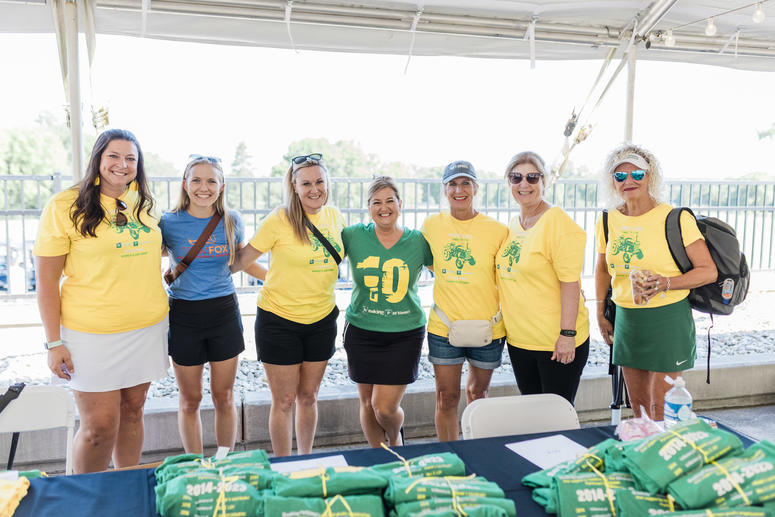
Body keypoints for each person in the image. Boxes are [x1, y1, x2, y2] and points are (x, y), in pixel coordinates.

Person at [34, 129, 169, 473]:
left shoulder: (145, 203)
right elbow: (47, 282)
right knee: (99, 427)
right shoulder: (64, 205)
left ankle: (126, 490)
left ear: (138, 167)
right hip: (90, 334)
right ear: (98, 158)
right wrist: (54, 342)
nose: (122, 165)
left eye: (130, 159)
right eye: (114, 156)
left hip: (146, 329)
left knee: (133, 412)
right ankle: (87, 500)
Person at [231, 153, 344, 456]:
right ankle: (283, 464)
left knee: (309, 397)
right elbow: (243, 260)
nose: (314, 189)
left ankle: (305, 459)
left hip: (321, 320)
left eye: (319, 181)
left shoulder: (335, 217)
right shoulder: (280, 218)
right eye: (306, 183)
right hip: (279, 321)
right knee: (283, 401)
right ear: (294, 186)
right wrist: (191, 257)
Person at [595, 143, 717, 420]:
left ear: (651, 177)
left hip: (667, 317)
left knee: (662, 407)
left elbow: (708, 271)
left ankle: (665, 456)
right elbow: (603, 269)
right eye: (620, 175)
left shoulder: (675, 217)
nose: (629, 181)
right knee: (638, 409)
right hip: (627, 319)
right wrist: (601, 312)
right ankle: (643, 457)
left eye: (638, 174)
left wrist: (666, 283)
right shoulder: (607, 220)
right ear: (611, 181)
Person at [160, 155, 258, 453]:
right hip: (184, 315)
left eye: (211, 181)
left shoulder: (232, 220)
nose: (204, 187)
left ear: (222, 186)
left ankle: (223, 462)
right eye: (197, 180)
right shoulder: (168, 222)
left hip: (223, 313)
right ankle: (195, 464)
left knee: (223, 396)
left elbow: (240, 261)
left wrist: (278, 278)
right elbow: (143, 259)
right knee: (190, 399)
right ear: (185, 185)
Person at [341, 176, 432, 447]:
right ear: (368, 207)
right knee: (367, 404)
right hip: (362, 329)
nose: (384, 207)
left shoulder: (418, 241)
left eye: (390, 200)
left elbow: (449, 270)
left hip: (404, 333)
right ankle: (377, 458)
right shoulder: (353, 235)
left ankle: (395, 439)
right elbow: (317, 256)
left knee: (384, 407)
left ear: (400, 204)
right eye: (376, 202)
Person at [421, 160, 508, 441]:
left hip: (489, 327)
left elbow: (513, 275)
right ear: (445, 190)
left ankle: (475, 452)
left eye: (465, 183)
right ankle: (450, 456)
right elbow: (427, 263)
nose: (459, 190)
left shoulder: (497, 230)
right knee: (446, 397)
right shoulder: (431, 226)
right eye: (453, 184)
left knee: (478, 395)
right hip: (444, 327)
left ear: (476, 188)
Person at [495, 151, 589, 405]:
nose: (524, 184)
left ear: (544, 182)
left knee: (555, 420)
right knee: (533, 417)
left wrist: (567, 335)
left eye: (532, 177)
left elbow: (570, 282)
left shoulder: (558, 223)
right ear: (509, 183)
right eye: (516, 178)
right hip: (520, 341)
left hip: (555, 343)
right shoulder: (514, 225)